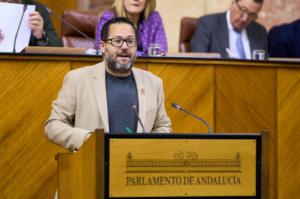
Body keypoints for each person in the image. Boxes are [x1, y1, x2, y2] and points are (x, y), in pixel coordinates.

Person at [45, 17, 172, 151]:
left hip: (137, 167)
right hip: (93, 164)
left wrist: (146, 147)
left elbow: (163, 126)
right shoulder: (78, 79)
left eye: (130, 41)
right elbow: (53, 126)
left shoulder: (153, 83)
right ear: (103, 46)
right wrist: (89, 140)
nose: (124, 47)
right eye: (117, 41)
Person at [191, 0, 267, 59]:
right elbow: (199, 62)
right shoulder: (208, 24)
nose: (245, 19)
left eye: (252, 15)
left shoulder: (260, 32)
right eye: (243, 10)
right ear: (233, 2)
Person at [95, 0, 168, 55]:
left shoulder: (154, 18)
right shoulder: (108, 18)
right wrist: (144, 54)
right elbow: (106, 49)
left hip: (148, 69)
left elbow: (161, 49)